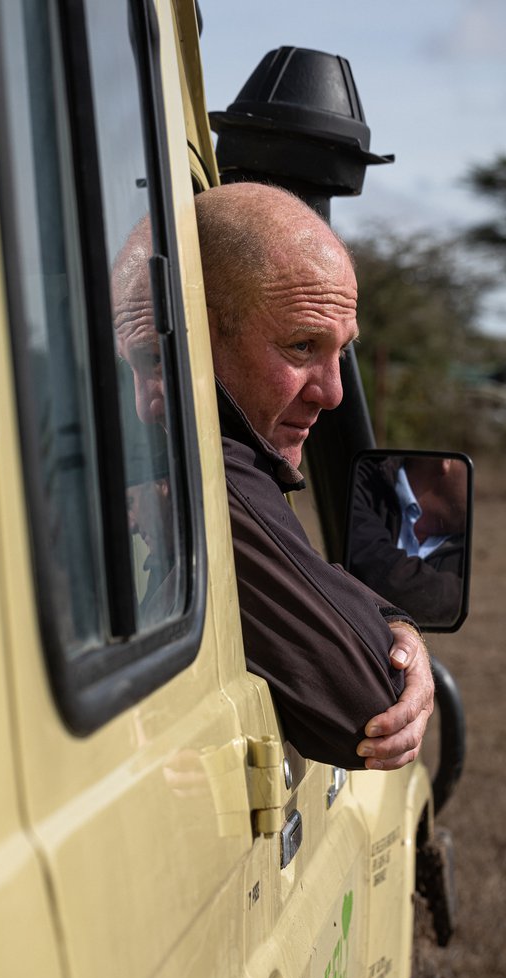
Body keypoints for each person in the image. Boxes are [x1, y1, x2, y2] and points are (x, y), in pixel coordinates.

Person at [113, 185, 434, 770]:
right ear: (190, 343)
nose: (332, 392)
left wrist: (393, 621)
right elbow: (369, 711)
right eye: (301, 346)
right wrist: (392, 640)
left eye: (340, 353)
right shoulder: (213, 474)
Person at [347, 454, 467, 626]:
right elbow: (378, 577)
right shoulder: (362, 481)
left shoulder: (466, 538)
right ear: (446, 461)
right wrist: (463, 594)